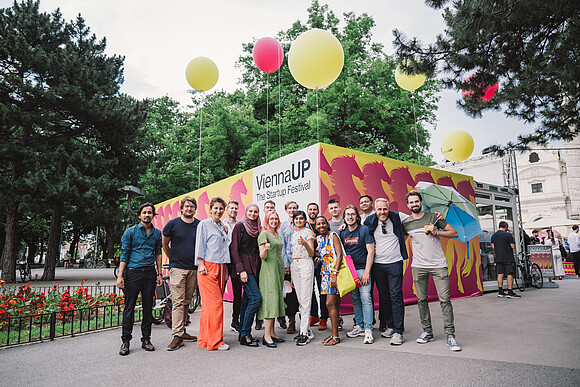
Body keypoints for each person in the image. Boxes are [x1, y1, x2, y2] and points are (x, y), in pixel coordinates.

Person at [402, 191, 462, 352]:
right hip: (418, 266)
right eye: (411, 202)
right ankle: (427, 331)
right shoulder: (406, 223)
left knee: (445, 300)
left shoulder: (433, 218)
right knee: (421, 300)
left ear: (421, 202)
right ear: (407, 205)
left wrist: (437, 232)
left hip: (438, 265)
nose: (414, 204)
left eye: (416, 201)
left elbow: (454, 233)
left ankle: (450, 335)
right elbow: (399, 239)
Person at [117, 203, 163, 356]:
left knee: (148, 307)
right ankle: (126, 341)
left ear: (153, 215)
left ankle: (146, 339)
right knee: (129, 308)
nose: (147, 215)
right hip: (133, 273)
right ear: (139, 215)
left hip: (149, 273)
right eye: (144, 212)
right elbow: (125, 254)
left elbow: (158, 254)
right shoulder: (130, 232)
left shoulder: (157, 233)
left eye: (150, 212)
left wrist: (160, 274)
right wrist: (120, 276)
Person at [363, 198, 408, 345]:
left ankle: (398, 331)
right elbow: (358, 227)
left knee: (396, 295)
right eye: (379, 209)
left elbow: (415, 219)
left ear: (388, 208)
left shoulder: (398, 216)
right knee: (384, 297)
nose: (382, 212)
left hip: (395, 262)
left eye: (385, 209)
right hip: (378, 264)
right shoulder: (369, 220)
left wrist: (435, 217)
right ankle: (390, 325)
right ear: (375, 209)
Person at [162, 196, 200, 351]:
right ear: (182, 208)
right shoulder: (173, 224)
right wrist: (173, 259)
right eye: (186, 206)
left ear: (195, 209)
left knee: (186, 301)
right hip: (177, 267)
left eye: (191, 206)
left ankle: (182, 331)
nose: (189, 209)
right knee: (178, 301)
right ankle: (177, 336)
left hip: (194, 268)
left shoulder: (199, 225)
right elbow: (165, 243)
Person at [195, 197, 231, 351]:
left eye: (221, 209)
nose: (218, 211)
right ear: (210, 209)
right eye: (216, 208)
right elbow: (200, 245)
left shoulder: (223, 226)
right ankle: (216, 342)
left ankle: (204, 339)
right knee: (215, 305)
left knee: (209, 307)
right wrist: (201, 264)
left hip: (222, 266)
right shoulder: (204, 224)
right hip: (208, 266)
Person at [340, 205, 375, 344]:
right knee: (355, 299)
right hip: (350, 271)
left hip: (362, 269)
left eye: (352, 214)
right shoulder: (342, 232)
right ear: (344, 218)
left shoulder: (364, 230)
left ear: (357, 216)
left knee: (365, 297)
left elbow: (371, 252)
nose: (350, 217)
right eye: (347, 214)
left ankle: (368, 329)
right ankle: (359, 325)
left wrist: (367, 272)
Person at [231, 204, 262, 347]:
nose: (253, 214)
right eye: (250, 211)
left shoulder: (259, 228)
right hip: (244, 267)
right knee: (256, 298)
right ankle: (245, 333)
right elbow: (234, 249)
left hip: (255, 267)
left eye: (255, 212)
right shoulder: (239, 226)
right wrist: (240, 270)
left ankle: (242, 334)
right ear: (246, 212)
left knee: (246, 300)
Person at [257, 211, 286, 348]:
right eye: (271, 218)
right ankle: (266, 335)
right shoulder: (264, 234)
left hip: (278, 269)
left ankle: (273, 333)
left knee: (277, 299)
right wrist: (266, 249)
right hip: (268, 271)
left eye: (276, 218)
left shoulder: (277, 234)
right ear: (267, 220)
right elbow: (262, 256)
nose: (274, 221)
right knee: (271, 300)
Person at [315, 216, 343, 346]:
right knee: (334, 305)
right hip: (324, 275)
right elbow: (322, 254)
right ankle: (334, 333)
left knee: (330, 304)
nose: (321, 225)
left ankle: (335, 336)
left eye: (323, 223)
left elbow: (339, 255)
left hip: (333, 274)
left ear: (327, 224)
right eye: (318, 224)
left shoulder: (333, 235)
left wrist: (335, 274)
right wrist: (318, 258)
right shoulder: (318, 239)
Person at [290, 210, 316, 346]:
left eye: (301, 218)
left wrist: (305, 243)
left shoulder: (308, 233)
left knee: (306, 300)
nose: (298, 221)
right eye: (296, 219)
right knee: (301, 300)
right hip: (295, 265)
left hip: (306, 263)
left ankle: (303, 333)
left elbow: (311, 253)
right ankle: (307, 329)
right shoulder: (293, 234)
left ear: (305, 220)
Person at [306, 202, 328, 331]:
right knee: (309, 290)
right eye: (310, 209)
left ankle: (324, 317)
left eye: (315, 209)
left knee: (321, 290)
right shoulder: (305, 226)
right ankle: (314, 315)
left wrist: (319, 254)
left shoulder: (321, 226)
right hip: (308, 261)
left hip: (321, 263)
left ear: (318, 211)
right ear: (308, 211)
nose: (312, 211)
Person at [279, 201, 300, 334]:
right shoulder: (283, 226)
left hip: (301, 264)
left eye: (294, 208)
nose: (292, 210)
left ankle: (304, 321)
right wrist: (286, 265)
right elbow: (282, 246)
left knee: (302, 293)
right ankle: (291, 321)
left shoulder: (301, 223)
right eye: (290, 208)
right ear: (286, 210)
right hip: (288, 265)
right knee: (290, 295)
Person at [490, 221, 521, 299]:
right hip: (508, 257)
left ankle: (500, 291)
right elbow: (513, 246)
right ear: (506, 226)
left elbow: (493, 247)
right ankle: (510, 291)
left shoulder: (494, 235)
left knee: (500, 273)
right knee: (510, 274)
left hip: (498, 257)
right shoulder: (508, 235)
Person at [225, 200, 242, 333]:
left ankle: (235, 321)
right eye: (231, 208)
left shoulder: (240, 225)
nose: (234, 210)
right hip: (223, 262)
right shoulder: (220, 224)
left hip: (235, 261)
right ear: (227, 209)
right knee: (218, 292)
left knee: (237, 293)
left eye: (236, 208)